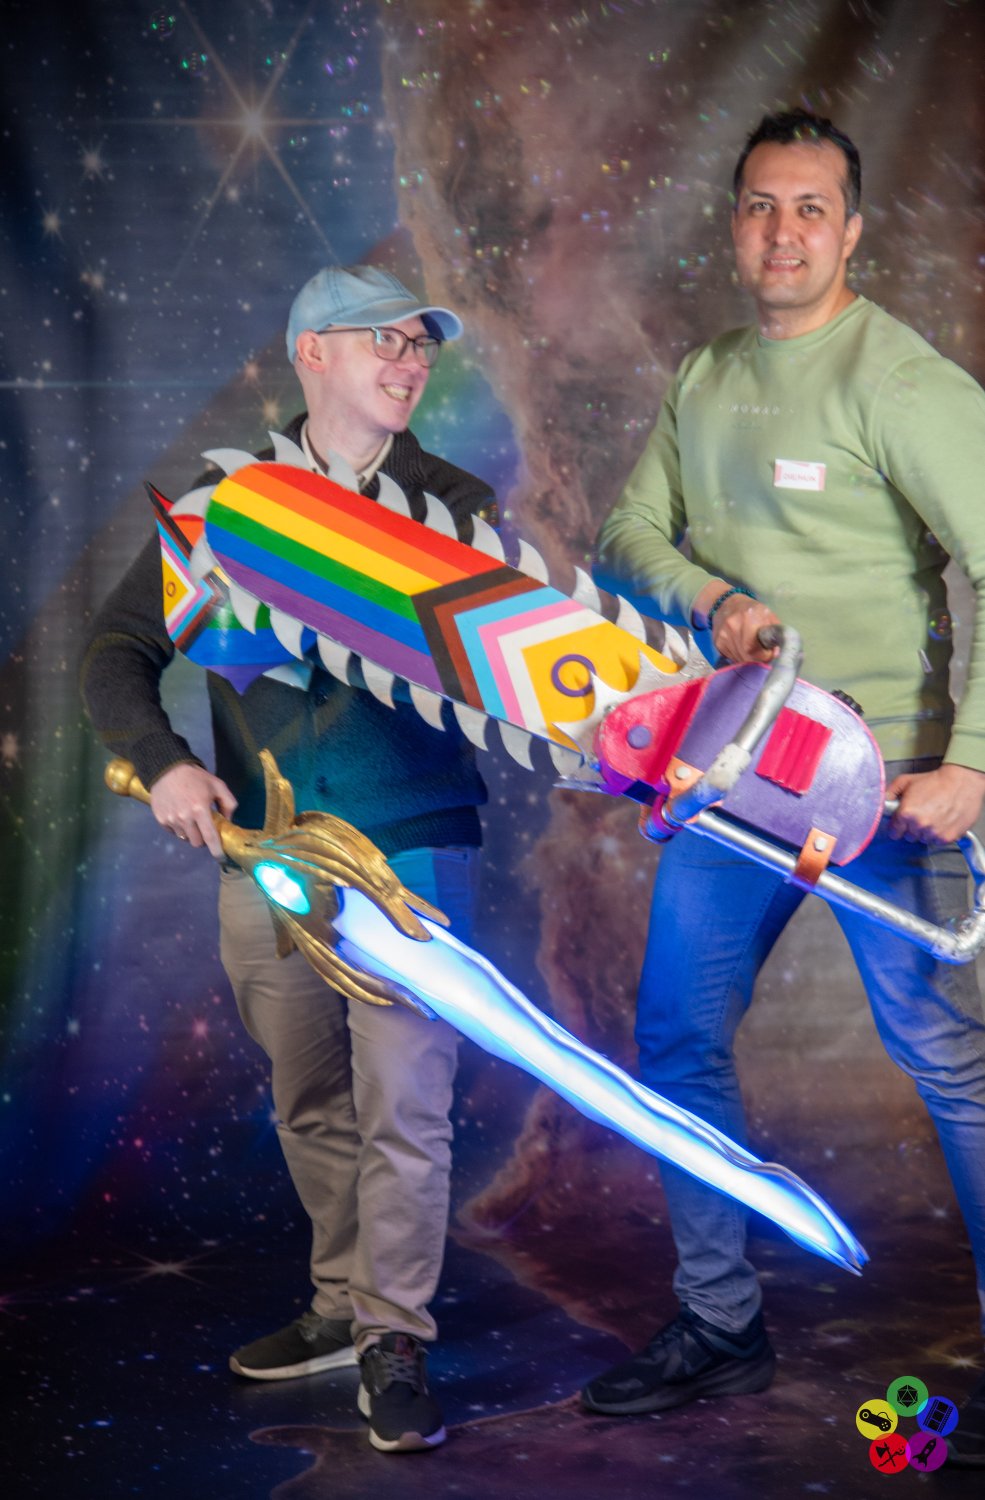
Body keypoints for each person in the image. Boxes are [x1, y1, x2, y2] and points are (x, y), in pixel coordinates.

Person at [582, 109, 985, 1469]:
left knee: (947, 1064)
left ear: (852, 229)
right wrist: (713, 601)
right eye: (760, 205)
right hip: (735, 776)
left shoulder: (903, 381)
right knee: (676, 1042)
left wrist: (973, 765)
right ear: (733, 223)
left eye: (810, 208)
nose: (782, 231)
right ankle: (719, 1321)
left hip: (886, 782)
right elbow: (627, 532)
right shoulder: (705, 378)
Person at [81, 264, 498, 1454]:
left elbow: (494, 676)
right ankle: (341, 1306)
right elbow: (115, 650)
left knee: (404, 1104)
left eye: (421, 346)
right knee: (310, 1099)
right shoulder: (225, 509)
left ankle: (394, 1338)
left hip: (411, 853)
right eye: (385, 342)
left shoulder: (452, 507)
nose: (412, 362)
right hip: (265, 853)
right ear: (313, 352)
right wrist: (164, 763)